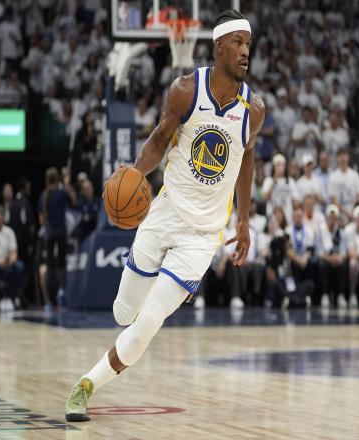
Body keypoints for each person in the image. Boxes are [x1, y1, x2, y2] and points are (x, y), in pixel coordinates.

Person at [65, 10, 265, 422]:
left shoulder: (253, 109)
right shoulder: (186, 91)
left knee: (148, 322)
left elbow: (247, 157)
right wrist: (134, 176)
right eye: (238, 43)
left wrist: (244, 219)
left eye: (248, 43)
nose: (246, 50)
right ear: (219, 47)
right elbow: (158, 140)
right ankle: (124, 317)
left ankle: (85, 386)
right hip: (164, 214)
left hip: (202, 237)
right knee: (124, 312)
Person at [38, 167, 76, 307]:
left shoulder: (43, 195)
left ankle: (50, 299)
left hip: (49, 233)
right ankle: (61, 291)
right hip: (61, 232)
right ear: (57, 178)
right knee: (61, 264)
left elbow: (42, 219)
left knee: (50, 265)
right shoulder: (61, 192)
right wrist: (67, 184)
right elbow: (73, 201)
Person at [318, 204, 347, 308]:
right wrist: (330, 259)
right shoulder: (321, 231)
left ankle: (340, 295)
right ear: (327, 218)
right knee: (323, 265)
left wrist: (339, 258)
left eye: (334, 218)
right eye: (330, 218)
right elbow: (319, 252)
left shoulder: (341, 232)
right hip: (326, 259)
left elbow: (343, 251)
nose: (332, 220)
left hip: (336, 259)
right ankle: (325, 295)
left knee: (343, 265)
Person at [329, 148, 359, 220]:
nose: (343, 158)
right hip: (339, 213)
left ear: (348, 157)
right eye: (340, 156)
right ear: (337, 158)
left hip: (353, 211)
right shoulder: (333, 176)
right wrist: (346, 212)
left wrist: (352, 212)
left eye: (345, 155)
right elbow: (333, 200)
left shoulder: (354, 175)